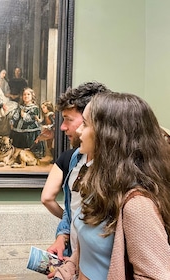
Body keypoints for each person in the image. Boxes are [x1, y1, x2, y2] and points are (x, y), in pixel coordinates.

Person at [54, 92, 170, 279]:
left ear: (108, 135)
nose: (78, 131)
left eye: (85, 124)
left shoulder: (138, 204)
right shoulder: (100, 185)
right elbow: (90, 247)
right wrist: (69, 267)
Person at [40, 82, 111, 261]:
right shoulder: (74, 159)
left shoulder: (118, 170)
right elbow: (73, 210)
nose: (63, 127)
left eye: (69, 120)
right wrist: (62, 237)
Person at [9, 87, 44, 159]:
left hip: (30, 130)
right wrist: (12, 121)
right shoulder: (20, 106)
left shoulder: (35, 108)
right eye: (24, 94)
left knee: (28, 148)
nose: (26, 96)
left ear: (32, 96)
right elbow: (15, 115)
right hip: (18, 130)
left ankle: (28, 157)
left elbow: (32, 119)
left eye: (28, 94)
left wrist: (24, 115)